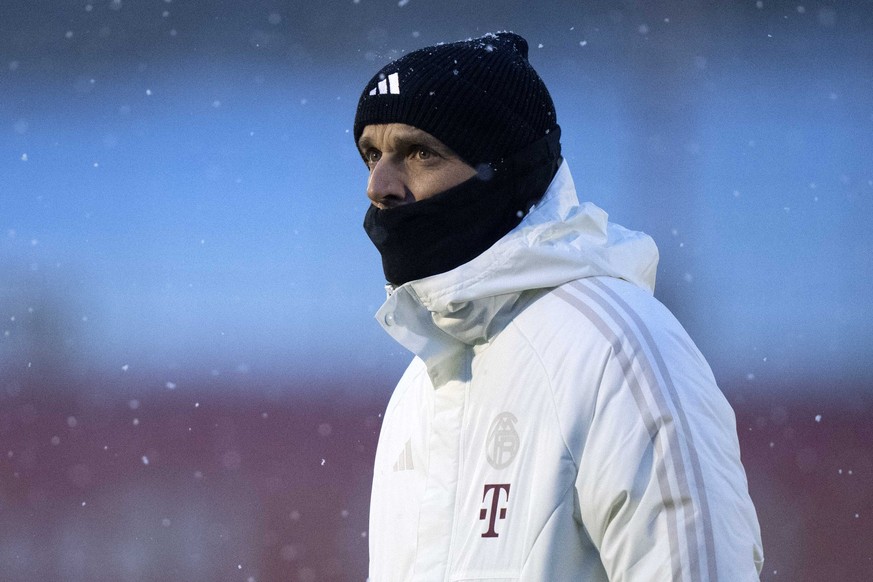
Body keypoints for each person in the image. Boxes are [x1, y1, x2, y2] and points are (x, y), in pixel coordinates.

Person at [353, 32, 763, 581]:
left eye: (420, 152)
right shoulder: (418, 388)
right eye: (372, 155)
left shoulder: (620, 352)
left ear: (502, 170)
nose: (379, 185)